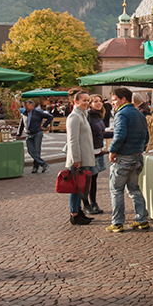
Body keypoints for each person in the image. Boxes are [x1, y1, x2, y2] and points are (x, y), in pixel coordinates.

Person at [108, 87, 151, 233]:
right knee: (134, 189)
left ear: (123, 99)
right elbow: (146, 137)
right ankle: (142, 219)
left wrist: (112, 151)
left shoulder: (121, 114)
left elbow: (119, 136)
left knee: (117, 190)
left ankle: (117, 222)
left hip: (124, 157)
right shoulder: (139, 114)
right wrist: (140, 148)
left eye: (114, 100)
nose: (112, 103)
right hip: (138, 157)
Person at [64, 91, 96, 226]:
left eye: (88, 100)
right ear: (75, 102)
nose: (87, 103)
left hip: (85, 157)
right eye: (84, 100)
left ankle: (78, 211)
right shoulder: (74, 117)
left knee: (81, 187)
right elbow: (73, 140)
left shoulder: (83, 115)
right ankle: (74, 213)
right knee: (76, 187)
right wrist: (76, 159)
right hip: (79, 159)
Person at [83, 94, 109, 215]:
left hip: (98, 151)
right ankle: (86, 204)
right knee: (87, 180)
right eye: (96, 101)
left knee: (94, 180)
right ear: (90, 103)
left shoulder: (98, 116)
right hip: (89, 152)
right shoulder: (87, 116)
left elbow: (101, 134)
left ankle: (94, 203)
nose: (99, 103)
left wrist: (118, 133)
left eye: (100, 101)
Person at [17, 100, 54, 173]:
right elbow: (21, 124)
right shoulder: (24, 114)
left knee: (37, 151)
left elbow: (50, 117)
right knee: (30, 150)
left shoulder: (37, 112)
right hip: (29, 133)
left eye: (27, 105)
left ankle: (35, 167)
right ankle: (43, 163)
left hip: (37, 133)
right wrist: (19, 134)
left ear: (31, 106)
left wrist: (44, 126)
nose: (25, 107)